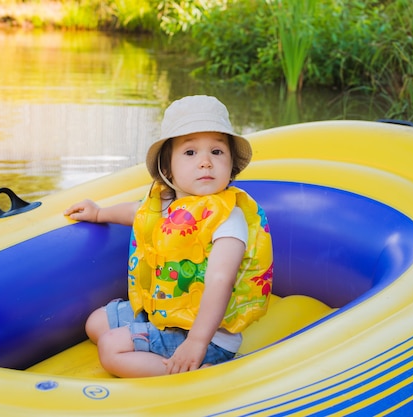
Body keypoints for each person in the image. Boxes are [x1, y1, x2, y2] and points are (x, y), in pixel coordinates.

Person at [64, 95, 273, 377]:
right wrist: (99, 214)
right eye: (190, 153)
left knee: (111, 349)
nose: (205, 162)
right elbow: (136, 213)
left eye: (217, 151)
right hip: (165, 312)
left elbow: (220, 280)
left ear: (231, 164)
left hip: (206, 335)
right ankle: (161, 344)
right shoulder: (166, 203)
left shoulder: (228, 218)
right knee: (96, 324)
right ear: (167, 169)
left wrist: (196, 343)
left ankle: (198, 372)